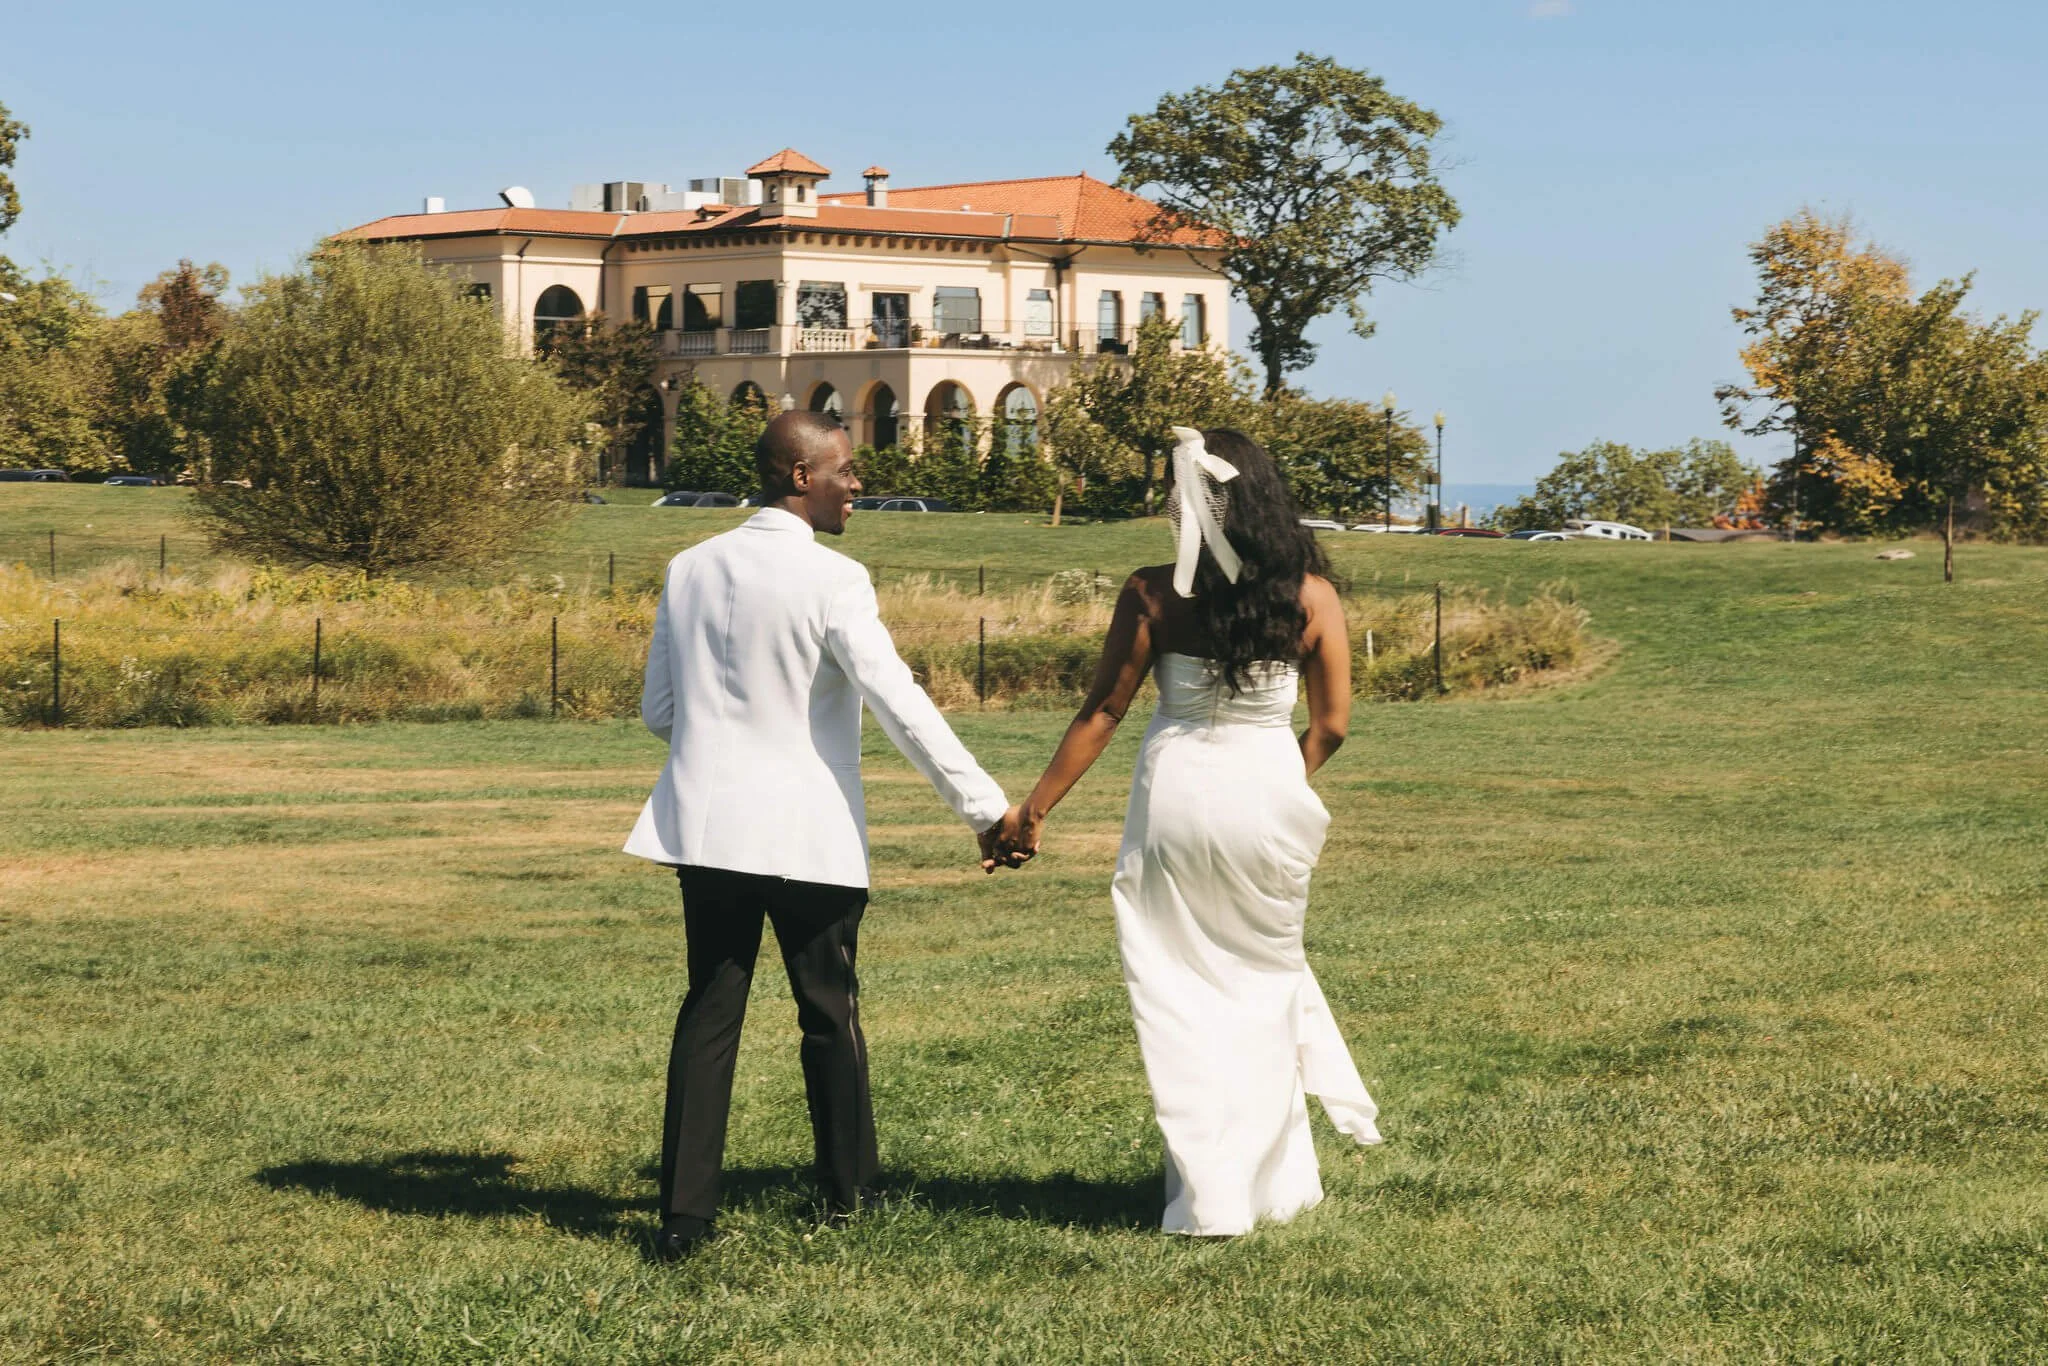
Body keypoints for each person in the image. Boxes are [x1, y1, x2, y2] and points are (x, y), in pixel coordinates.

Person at [624, 411, 1030, 1261]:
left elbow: (660, 710)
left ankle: (683, 1219)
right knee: (828, 1009)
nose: (858, 485)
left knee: (709, 1011)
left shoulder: (687, 566)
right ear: (802, 476)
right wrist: (986, 810)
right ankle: (848, 1197)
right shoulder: (835, 581)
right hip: (806, 831)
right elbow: (900, 703)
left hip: (704, 826)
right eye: (846, 470)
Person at [1004, 426, 1380, 1236]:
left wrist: (1032, 812)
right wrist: (1279, 781)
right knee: (1261, 978)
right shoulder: (1312, 597)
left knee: (1178, 990)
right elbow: (1334, 725)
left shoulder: (1151, 591)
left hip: (1173, 796)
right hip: (1267, 799)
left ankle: (1206, 1191)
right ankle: (1274, 1187)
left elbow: (1104, 710)